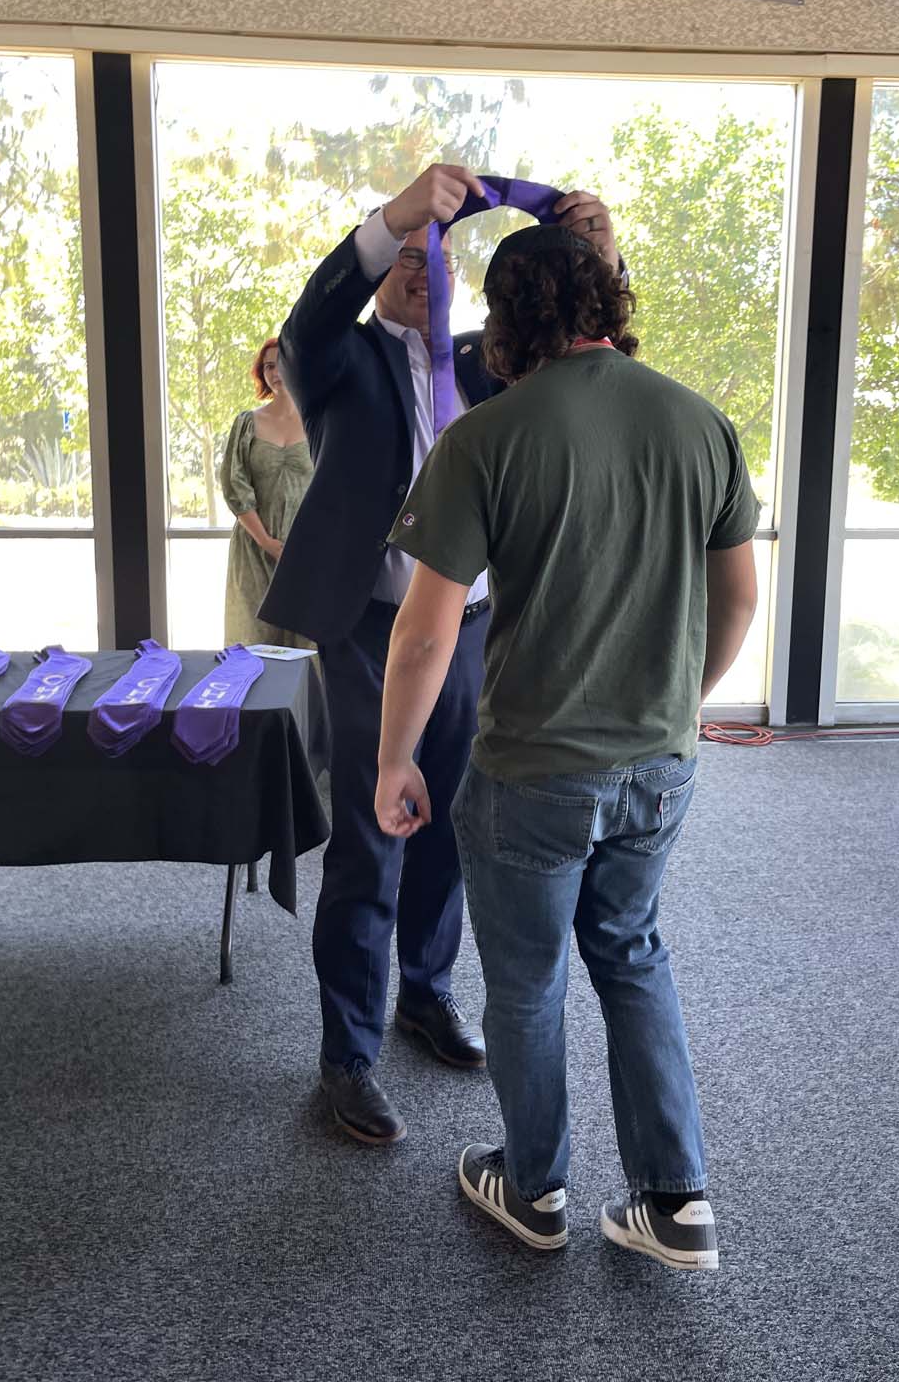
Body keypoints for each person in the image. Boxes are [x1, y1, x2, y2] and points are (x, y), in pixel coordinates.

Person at [374, 219, 759, 1271]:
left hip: (534, 773)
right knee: (630, 953)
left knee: (529, 979)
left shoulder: (488, 437)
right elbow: (738, 598)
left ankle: (534, 1184)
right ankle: (676, 1201)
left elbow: (423, 628)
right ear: (609, 301)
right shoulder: (700, 421)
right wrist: (682, 700)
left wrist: (394, 757)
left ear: (507, 319)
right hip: (659, 765)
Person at [258, 162, 621, 1146]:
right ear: (385, 271)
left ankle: (425, 993)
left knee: (452, 824)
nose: (423, 264)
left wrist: (597, 249)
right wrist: (397, 214)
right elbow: (312, 311)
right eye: (407, 254)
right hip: (372, 630)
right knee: (372, 838)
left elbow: (589, 354)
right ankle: (348, 1056)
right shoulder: (337, 359)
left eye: (436, 251)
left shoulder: (488, 360)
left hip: (475, 631)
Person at [219, 339, 315, 649]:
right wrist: (266, 542)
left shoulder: (319, 422)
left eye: (282, 363)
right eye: (269, 366)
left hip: (304, 551)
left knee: (305, 648)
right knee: (252, 643)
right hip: (254, 548)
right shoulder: (247, 423)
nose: (276, 372)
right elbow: (235, 486)